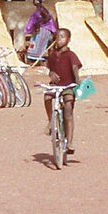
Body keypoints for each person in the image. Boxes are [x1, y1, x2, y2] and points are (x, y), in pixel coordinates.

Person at [44, 26, 85, 154]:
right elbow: (49, 68)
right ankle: (51, 121)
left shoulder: (71, 55)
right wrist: (51, 73)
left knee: (68, 109)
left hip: (68, 85)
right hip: (56, 86)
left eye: (62, 37)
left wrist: (77, 82)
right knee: (47, 97)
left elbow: (74, 68)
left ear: (68, 39)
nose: (59, 40)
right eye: (57, 37)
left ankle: (70, 142)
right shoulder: (52, 55)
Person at [19, 0, 58, 64]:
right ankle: (36, 61)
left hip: (43, 31)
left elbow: (44, 18)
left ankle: (36, 61)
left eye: (35, 0)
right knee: (36, 46)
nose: (34, 1)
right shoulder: (41, 9)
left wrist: (35, 26)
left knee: (36, 47)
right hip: (43, 31)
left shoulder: (40, 10)